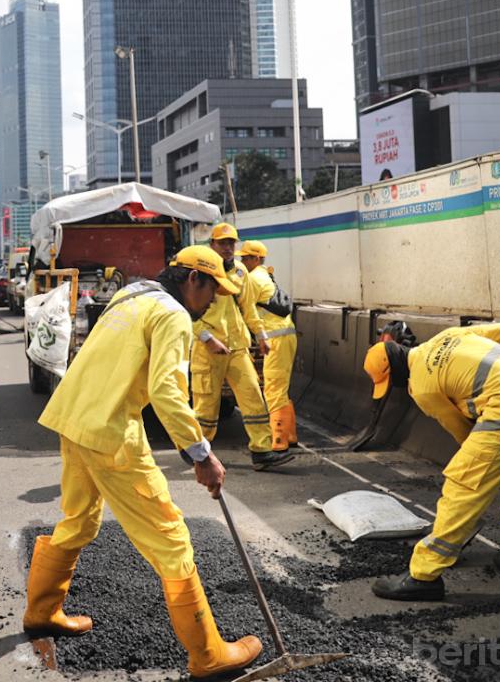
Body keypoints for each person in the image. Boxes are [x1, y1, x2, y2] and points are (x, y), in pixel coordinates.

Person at [22, 245, 262, 680]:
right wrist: (201, 455)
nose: (213, 302)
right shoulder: (172, 314)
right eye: (212, 292)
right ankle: (207, 655)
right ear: (194, 280)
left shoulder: (131, 295)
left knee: (78, 521)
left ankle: (42, 612)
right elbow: (168, 392)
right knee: (172, 540)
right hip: (112, 431)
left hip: (74, 419)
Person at [363, 322, 500, 601]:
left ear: (394, 373)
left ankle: (424, 575)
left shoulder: (421, 387)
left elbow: (463, 432)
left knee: (462, 485)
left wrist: (477, 463)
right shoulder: (446, 335)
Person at [190, 223, 289, 469]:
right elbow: (188, 311)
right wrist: (205, 338)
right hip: (207, 348)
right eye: (222, 243)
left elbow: (247, 307)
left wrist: (261, 335)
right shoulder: (199, 271)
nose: (227, 247)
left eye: (231, 243)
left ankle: (262, 451)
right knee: (205, 406)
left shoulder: (241, 272)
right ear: (211, 244)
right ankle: (198, 453)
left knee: (253, 397)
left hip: (237, 346)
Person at [237, 240, 297, 452]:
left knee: (273, 388)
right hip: (284, 336)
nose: (242, 261)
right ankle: (289, 435)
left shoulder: (253, 279)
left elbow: (245, 308)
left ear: (256, 258)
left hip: (276, 339)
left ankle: (278, 441)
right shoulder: (265, 276)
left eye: (245, 258)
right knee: (281, 387)